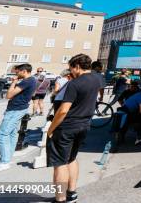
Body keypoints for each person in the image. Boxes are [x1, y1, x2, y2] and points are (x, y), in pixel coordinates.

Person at [47, 54, 103, 203]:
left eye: (71, 68)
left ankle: (61, 198)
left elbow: (64, 110)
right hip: (84, 125)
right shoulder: (96, 80)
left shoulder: (74, 83)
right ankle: (72, 193)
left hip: (67, 127)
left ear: (77, 66)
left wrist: (51, 128)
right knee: (71, 158)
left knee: (60, 164)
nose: (71, 71)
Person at [0, 63, 36, 173]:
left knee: (2, 135)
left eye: (17, 72)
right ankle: (5, 159)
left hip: (15, 110)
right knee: (11, 134)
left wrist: (14, 82)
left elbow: (9, 95)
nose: (16, 74)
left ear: (24, 71)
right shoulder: (32, 80)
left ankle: (5, 162)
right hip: (20, 108)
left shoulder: (26, 81)